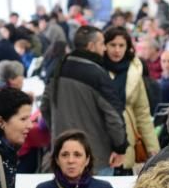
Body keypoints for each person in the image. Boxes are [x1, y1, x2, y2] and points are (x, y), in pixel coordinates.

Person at [41, 26, 127, 175]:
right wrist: (120, 147)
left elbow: (44, 107)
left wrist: (59, 131)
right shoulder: (98, 74)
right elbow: (113, 116)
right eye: (102, 44)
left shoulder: (58, 69)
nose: (104, 49)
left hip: (63, 154)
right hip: (96, 156)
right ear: (91, 46)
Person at [102, 26, 160, 173]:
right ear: (105, 46)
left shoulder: (134, 72)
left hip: (127, 137)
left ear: (128, 47)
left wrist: (153, 148)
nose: (117, 50)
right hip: (102, 137)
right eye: (112, 45)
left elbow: (142, 112)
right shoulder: (97, 69)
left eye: (121, 45)